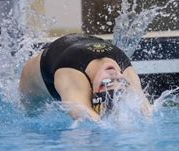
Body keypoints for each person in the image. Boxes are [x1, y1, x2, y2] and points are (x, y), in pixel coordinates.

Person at [19, 33, 152, 121]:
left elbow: (79, 111)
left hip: (47, 77)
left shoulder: (73, 77)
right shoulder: (126, 71)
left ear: (92, 91)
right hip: (36, 75)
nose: (113, 74)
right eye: (119, 80)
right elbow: (146, 109)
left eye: (106, 82)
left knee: (30, 117)